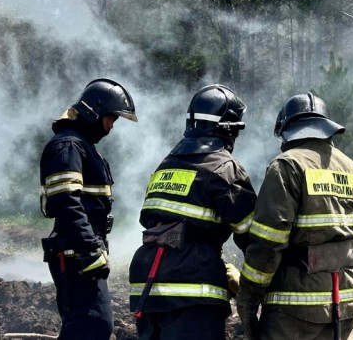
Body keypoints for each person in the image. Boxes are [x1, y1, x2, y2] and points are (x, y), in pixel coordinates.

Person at [236, 92, 353, 340]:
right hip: (345, 306)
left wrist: (249, 295)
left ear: (286, 131)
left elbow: (268, 242)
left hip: (294, 310)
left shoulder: (287, 166)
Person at [129, 83, 257, 340]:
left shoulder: (165, 165)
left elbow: (150, 219)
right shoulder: (225, 168)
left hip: (146, 288)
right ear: (227, 129)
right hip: (193, 293)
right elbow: (252, 235)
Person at [39, 78, 137, 340]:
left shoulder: (81, 146)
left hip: (80, 252)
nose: (111, 125)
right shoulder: (69, 145)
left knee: (88, 326)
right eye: (110, 117)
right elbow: (66, 202)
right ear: (94, 110)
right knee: (92, 326)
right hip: (76, 254)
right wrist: (90, 248)